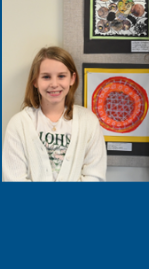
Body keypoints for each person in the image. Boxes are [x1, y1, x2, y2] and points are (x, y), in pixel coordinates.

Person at [2, 47, 106, 181]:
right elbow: (14, 180)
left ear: (72, 79)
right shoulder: (19, 124)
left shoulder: (89, 121)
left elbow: (95, 177)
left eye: (61, 76)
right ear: (35, 81)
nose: (54, 84)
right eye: (46, 77)